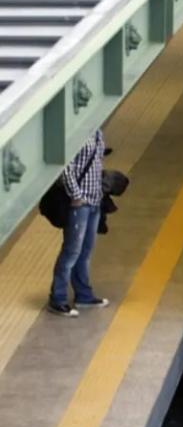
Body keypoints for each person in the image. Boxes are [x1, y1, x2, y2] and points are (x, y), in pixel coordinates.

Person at [48, 129, 110, 317]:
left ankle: (84, 295)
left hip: (95, 201)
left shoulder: (97, 132)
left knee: (85, 252)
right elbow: (67, 167)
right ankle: (58, 298)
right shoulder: (76, 132)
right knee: (71, 252)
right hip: (79, 204)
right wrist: (76, 196)